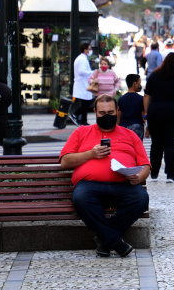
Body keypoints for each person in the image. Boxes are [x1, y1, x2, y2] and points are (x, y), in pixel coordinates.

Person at [60, 94, 151, 258]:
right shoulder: (82, 132)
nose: (106, 116)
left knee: (141, 198)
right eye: (102, 113)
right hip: (89, 186)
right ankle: (116, 242)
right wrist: (90, 154)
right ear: (95, 112)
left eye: (110, 112)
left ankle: (105, 239)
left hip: (124, 184)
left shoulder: (130, 135)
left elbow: (145, 165)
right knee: (80, 198)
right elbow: (65, 161)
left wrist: (139, 177)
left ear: (117, 111)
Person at [144, 53, 174, 182]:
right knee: (171, 143)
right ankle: (170, 174)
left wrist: (145, 113)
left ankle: (154, 173)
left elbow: (147, 96)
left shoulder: (154, 76)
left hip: (155, 113)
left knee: (156, 143)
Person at [72, 43, 95, 125]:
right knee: (86, 102)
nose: (90, 51)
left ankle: (82, 119)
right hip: (82, 84)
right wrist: (92, 72)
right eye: (89, 49)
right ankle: (78, 116)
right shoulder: (82, 59)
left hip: (83, 83)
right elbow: (81, 71)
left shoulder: (82, 58)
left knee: (86, 102)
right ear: (85, 50)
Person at [117, 74, 146, 140]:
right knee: (137, 145)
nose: (140, 86)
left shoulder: (121, 99)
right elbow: (143, 115)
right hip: (137, 126)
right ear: (135, 84)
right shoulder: (141, 99)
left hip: (124, 127)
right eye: (139, 83)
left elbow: (119, 115)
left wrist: (117, 126)